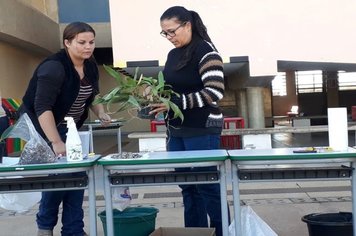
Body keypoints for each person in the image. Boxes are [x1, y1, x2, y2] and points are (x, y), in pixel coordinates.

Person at [20, 22, 111, 236]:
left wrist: (102, 113)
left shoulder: (89, 64)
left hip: (71, 130)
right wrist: (55, 141)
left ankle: (73, 230)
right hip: (46, 128)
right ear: (67, 43)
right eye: (81, 43)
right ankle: (45, 228)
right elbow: (42, 107)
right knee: (57, 180)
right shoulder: (53, 67)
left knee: (77, 178)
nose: (88, 47)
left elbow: (94, 93)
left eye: (91, 42)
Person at [151, 6, 226, 236]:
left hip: (202, 128)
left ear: (187, 25)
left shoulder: (206, 51)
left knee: (208, 187)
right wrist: (155, 96)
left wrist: (177, 103)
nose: (169, 37)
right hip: (176, 130)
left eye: (172, 31)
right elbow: (170, 90)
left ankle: (223, 232)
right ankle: (196, 233)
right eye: (165, 33)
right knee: (187, 187)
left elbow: (215, 91)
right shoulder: (173, 55)